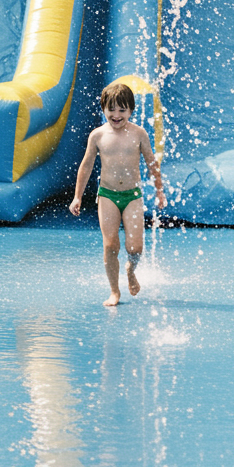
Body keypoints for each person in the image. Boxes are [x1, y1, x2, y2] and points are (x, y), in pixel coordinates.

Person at [69, 81, 166, 306]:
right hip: (107, 195)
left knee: (135, 247)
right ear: (103, 108)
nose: (116, 114)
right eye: (111, 109)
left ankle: (131, 270)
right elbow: (86, 165)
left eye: (122, 110)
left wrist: (159, 191)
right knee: (110, 244)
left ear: (131, 111)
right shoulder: (98, 136)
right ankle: (114, 291)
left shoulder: (139, 134)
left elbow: (152, 163)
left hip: (133, 196)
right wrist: (77, 196)